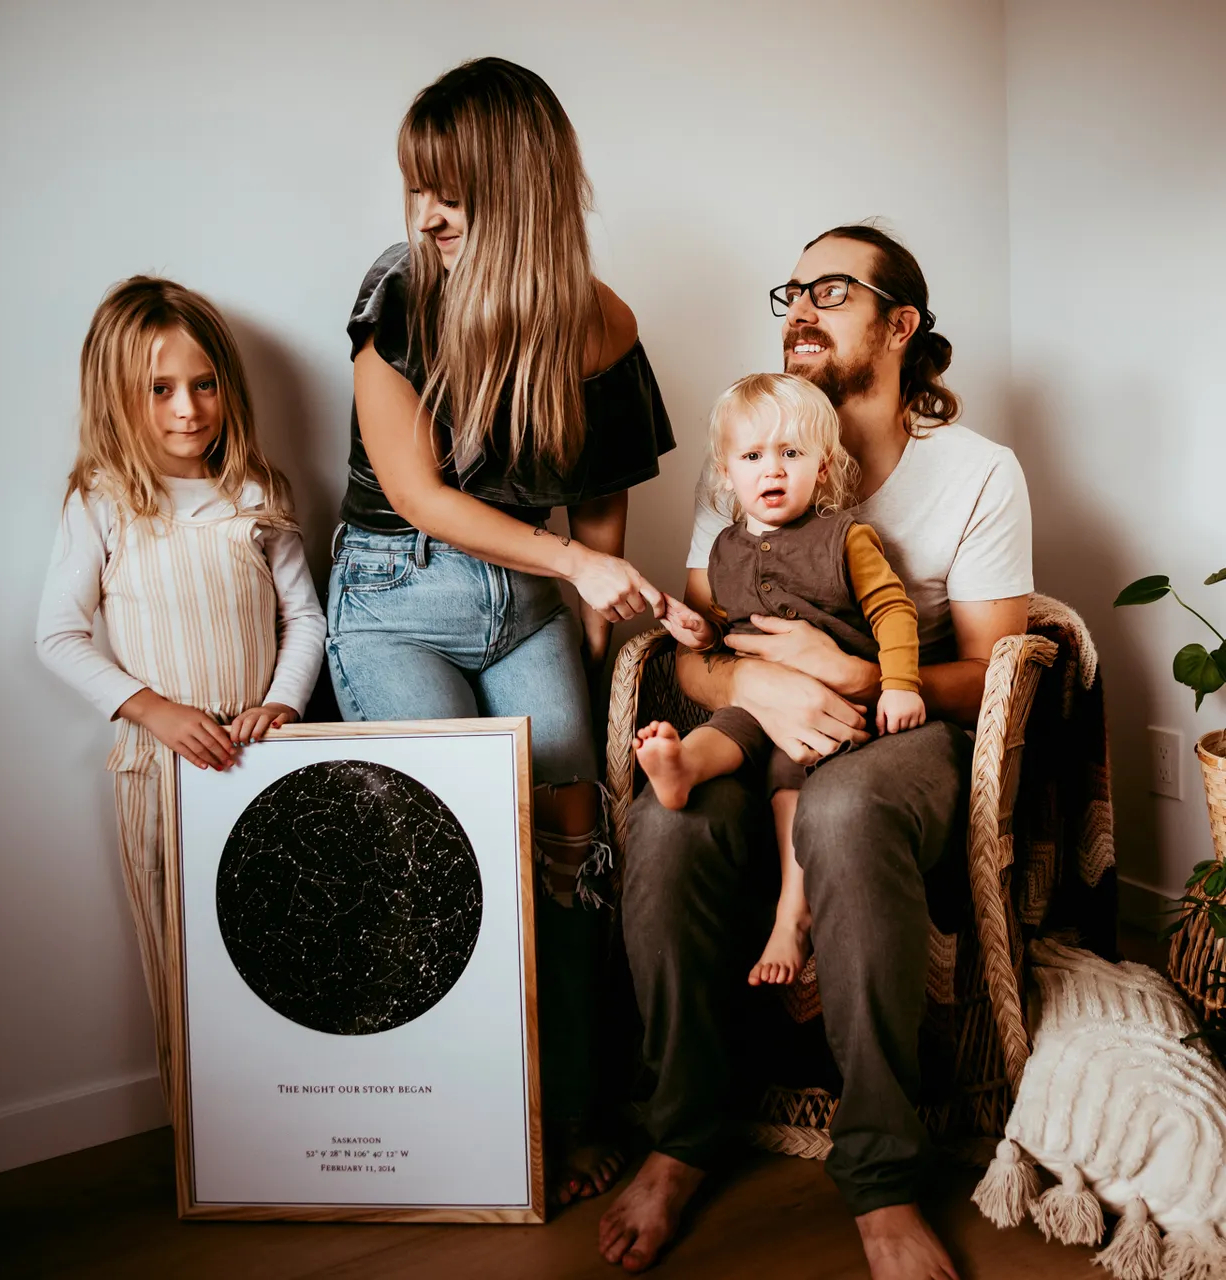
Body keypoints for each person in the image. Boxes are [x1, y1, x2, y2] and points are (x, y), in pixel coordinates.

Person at [600, 225, 1033, 1280]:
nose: (798, 306)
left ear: (899, 324)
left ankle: (881, 1174)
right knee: (668, 820)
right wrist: (753, 684)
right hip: (759, 722)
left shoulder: (976, 473)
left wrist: (854, 677)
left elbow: (995, 668)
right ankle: (680, 1134)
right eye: (790, 289)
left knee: (843, 812)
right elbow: (695, 646)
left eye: (830, 290)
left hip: (901, 734)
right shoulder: (749, 454)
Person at [325, 57, 675, 1203]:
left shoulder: (601, 321)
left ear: (517, 190)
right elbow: (419, 494)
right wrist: (574, 561)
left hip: (526, 610)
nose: (426, 214)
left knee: (572, 856)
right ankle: (463, 1128)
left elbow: (603, 488)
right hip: (396, 597)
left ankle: (566, 1113)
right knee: (451, 852)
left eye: (452, 191)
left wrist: (595, 618)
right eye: (417, 188)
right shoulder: (397, 295)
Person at [35, 276, 326, 1110]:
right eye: (159, 389)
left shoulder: (258, 494)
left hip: (264, 763)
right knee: (181, 954)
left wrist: (283, 703)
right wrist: (154, 711)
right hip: (158, 775)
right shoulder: (102, 502)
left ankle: (293, 1122)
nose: (187, 410)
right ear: (118, 396)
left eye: (203, 385)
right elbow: (57, 635)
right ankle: (198, 1139)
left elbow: (305, 619)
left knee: (279, 944)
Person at [635, 371, 925, 989]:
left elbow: (894, 610)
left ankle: (792, 915)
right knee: (726, 728)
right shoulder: (723, 551)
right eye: (753, 457)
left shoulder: (846, 539)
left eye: (791, 453)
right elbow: (724, 628)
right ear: (725, 472)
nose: (772, 470)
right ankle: (681, 768)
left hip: (830, 705)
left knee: (790, 781)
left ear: (823, 467)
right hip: (759, 697)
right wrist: (700, 631)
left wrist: (901, 683)